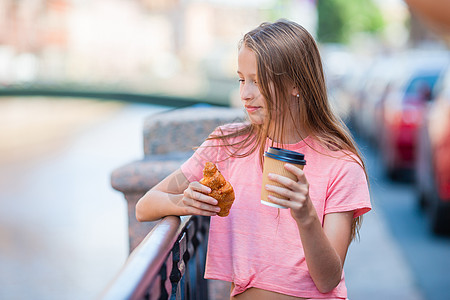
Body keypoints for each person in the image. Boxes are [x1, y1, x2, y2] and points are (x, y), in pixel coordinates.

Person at [136, 19, 371, 300]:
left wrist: (306, 216)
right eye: (242, 79)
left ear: (296, 84)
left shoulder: (341, 165)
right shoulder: (227, 145)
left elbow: (328, 280)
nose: (245, 94)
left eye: (259, 81)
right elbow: (144, 206)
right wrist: (183, 202)